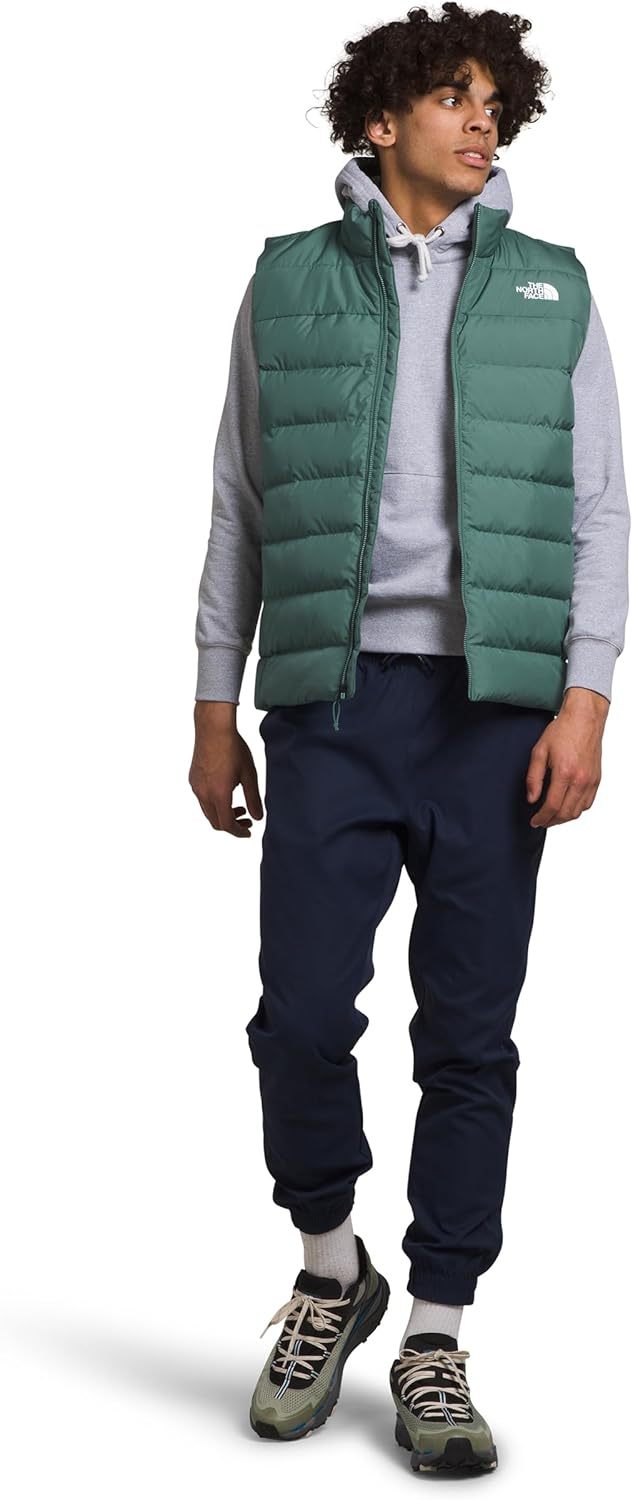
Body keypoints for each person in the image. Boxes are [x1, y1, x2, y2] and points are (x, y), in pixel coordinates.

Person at [189, 2, 629, 1474]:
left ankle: (437, 1330)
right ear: (379, 122)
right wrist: (213, 703)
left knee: (470, 1034)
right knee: (302, 1015)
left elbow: (601, 510)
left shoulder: (555, 287)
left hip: (497, 709)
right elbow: (243, 501)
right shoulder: (287, 281)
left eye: (496, 101)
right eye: (453, 96)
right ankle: (333, 1272)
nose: (482, 121)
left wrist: (587, 698)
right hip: (329, 697)